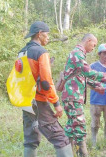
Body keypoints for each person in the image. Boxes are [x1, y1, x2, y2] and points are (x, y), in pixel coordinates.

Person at [61, 34, 106, 156]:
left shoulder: (79, 53)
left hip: (72, 95)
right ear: (88, 41)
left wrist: (95, 86)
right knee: (79, 126)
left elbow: (81, 76)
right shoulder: (77, 53)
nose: (93, 48)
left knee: (71, 126)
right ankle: (82, 154)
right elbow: (87, 71)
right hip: (73, 96)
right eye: (93, 45)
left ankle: (66, 153)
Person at [21, 21, 73, 157]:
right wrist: (56, 104)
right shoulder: (41, 52)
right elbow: (46, 82)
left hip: (25, 101)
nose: (48, 38)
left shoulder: (22, 52)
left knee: (31, 137)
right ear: (39, 34)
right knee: (60, 137)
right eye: (47, 34)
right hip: (39, 101)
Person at [89, 43, 106, 147]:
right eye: (104, 53)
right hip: (96, 99)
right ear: (99, 54)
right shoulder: (93, 66)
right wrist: (95, 88)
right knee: (95, 120)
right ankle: (94, 140)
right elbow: (88, 81)